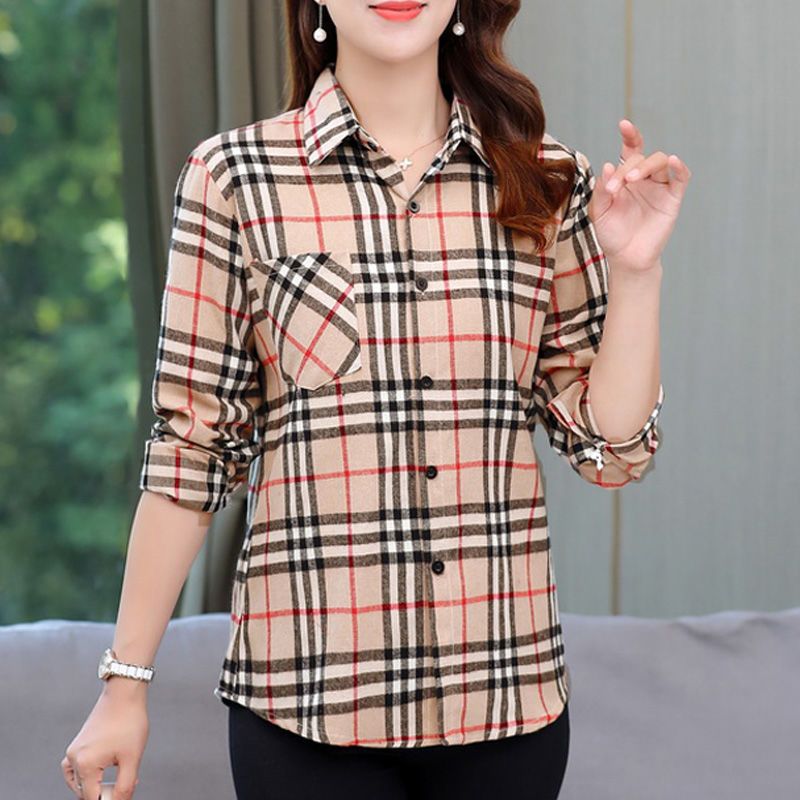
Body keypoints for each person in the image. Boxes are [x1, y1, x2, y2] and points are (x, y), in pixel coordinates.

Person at [61, 1, 691, 798]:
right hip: (304, 709)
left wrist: (636, 275)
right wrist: (125, 685)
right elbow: (193, 448)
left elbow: (611, 454)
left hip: (507, 703)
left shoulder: (545, 179)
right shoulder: (234, 179)